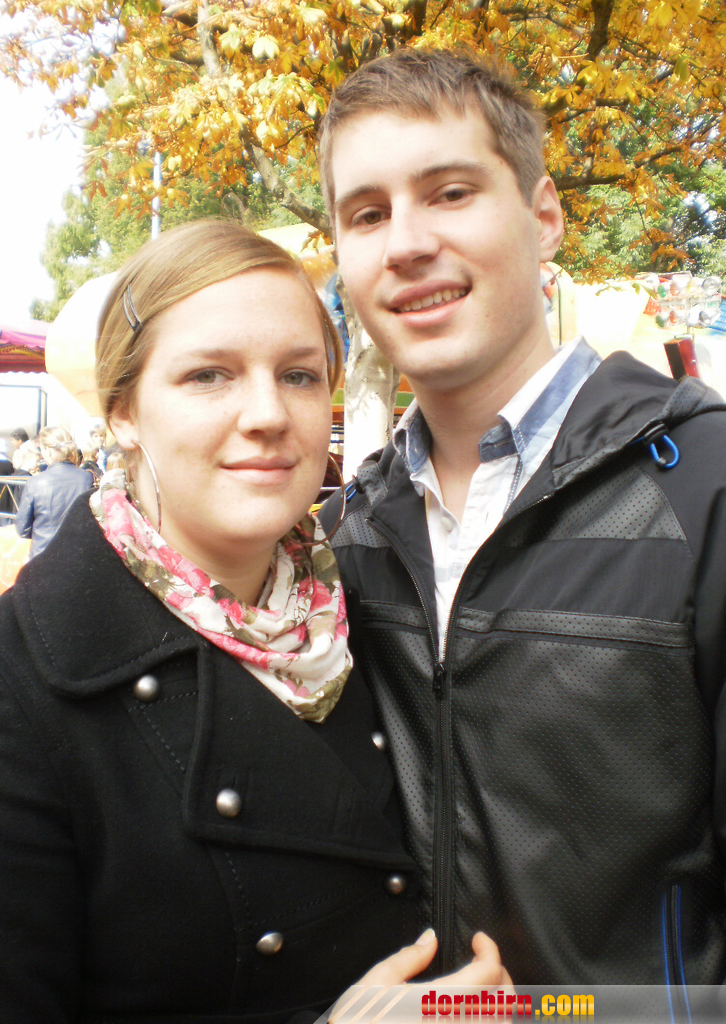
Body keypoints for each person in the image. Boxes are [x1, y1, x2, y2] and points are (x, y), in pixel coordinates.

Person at [0, 219, 508, 1023]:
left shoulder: (369, 613)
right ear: (123, 412)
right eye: (209, 375)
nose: (267, 414)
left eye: (298, 375)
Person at [318, 47, 726, 986]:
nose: (406, 242)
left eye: (450, 193)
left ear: (544, 218)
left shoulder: (703, 489)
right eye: (368, 213)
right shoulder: (349, 534)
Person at [15, 426, 95, 558]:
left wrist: (41, 529)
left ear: (48, 451)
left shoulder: (35, 482)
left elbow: (22, 529)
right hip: (77, 556)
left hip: (43, 555)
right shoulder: (87, 478)